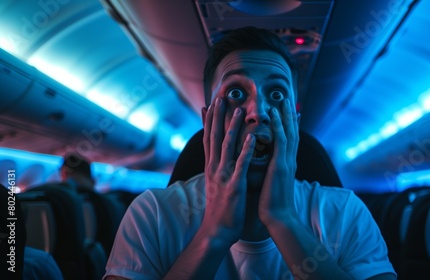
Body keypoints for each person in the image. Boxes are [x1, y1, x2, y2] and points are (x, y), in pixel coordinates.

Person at [104, 26, 396, 280]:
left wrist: (283, 220)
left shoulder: (345, 213)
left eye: (277, 95)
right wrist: (213, 234)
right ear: (208, 122)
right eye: (235, 94)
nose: (258, 113)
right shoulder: (153, 214)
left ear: (294, 122)